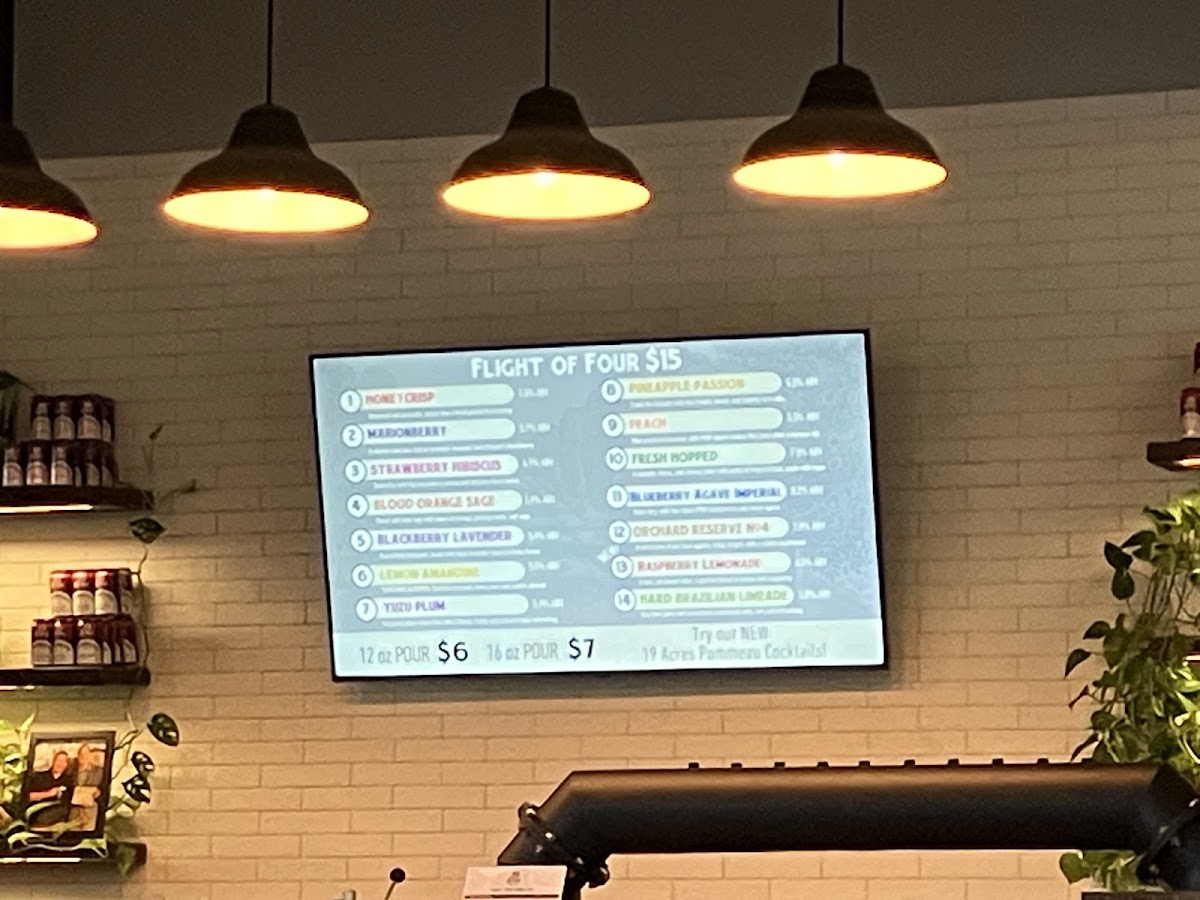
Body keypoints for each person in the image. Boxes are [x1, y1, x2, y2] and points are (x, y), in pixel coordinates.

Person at [26, 750, 74, 830]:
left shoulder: (68, 781)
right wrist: (49, 793)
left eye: (64, 762)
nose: (60, 764)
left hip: (56, 820)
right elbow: (29, 796)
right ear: (53, 761)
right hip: (35, 815)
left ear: (66, 765)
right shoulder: (40, 777)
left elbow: (67, 805)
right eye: (59, 760)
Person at [69, 743, 104, 832]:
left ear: (89, 755)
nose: (83, 756)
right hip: (75, 809)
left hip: (90, 809)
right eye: (81, 754)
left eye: (86, 754)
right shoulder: (71, 770)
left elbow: (103, 789)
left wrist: (98, 792)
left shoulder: (98, 771)